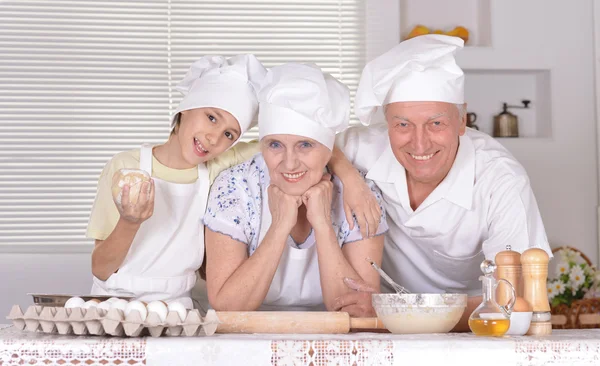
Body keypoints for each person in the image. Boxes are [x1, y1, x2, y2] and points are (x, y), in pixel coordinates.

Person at [329, 35, 552, 330]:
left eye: (436, 123)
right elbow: (312, 138)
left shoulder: (500, 179)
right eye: (403, 125)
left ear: (462, 122)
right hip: (380, 320)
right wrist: (349, 176)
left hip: (470, 326)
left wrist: (395, 313)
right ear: (387, 125)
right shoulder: (364, 147)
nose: (419, 144)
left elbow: (514, 299)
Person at [203, 63, 388, 315]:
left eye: (305, 145)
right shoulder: (234, 188)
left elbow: (356, 310)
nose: (289, 163)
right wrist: (279, 226)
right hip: (245, 336)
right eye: (275, 144)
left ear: (329, 148)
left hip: (335, 336)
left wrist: (323, 225)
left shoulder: (359, 195)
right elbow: (227, 306)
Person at [87, 54, 266, 309]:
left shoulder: (217, 168)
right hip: (114, 307)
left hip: (177, 312)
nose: (214, 138)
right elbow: (101, 268)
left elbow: (290, 140)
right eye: (211, 117)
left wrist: (344, 172)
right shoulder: (125, 167)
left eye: (229, 134)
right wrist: (130, 222)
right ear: (187, 107)